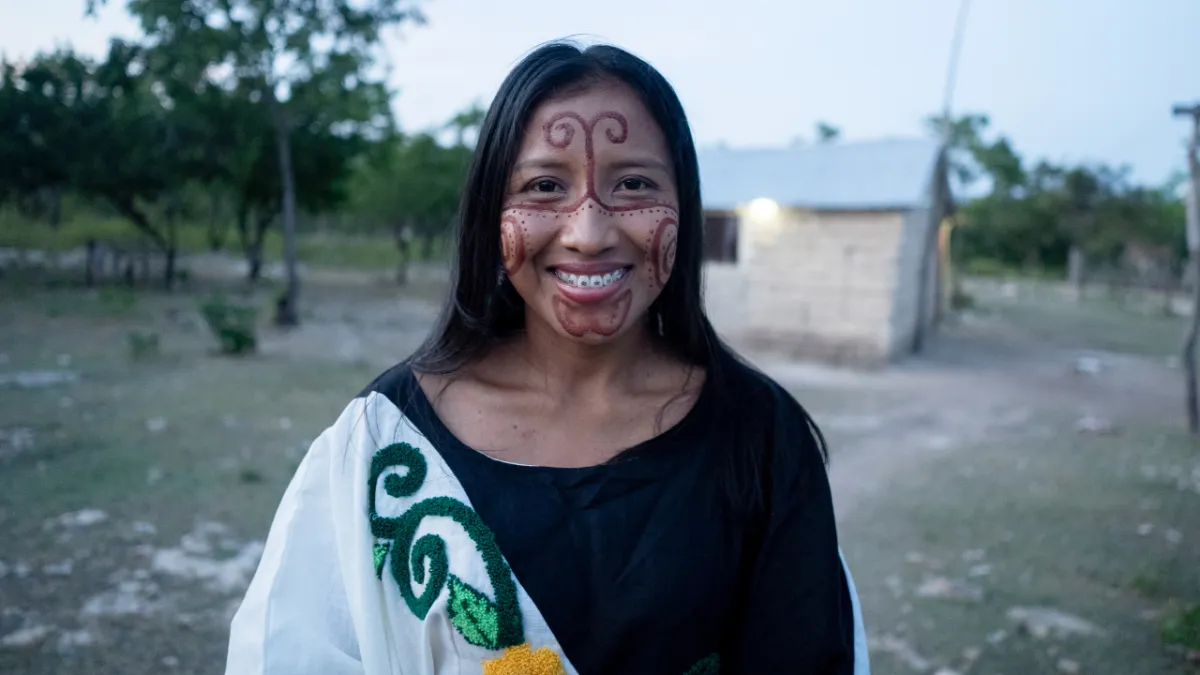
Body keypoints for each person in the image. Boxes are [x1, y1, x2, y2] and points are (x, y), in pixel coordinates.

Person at [225, 40, 869, 675]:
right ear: (489, 214)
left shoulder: (760, 438)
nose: (587, 233)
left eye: (635, 182)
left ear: (685, 205)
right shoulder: (385, 442)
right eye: (543, 185)